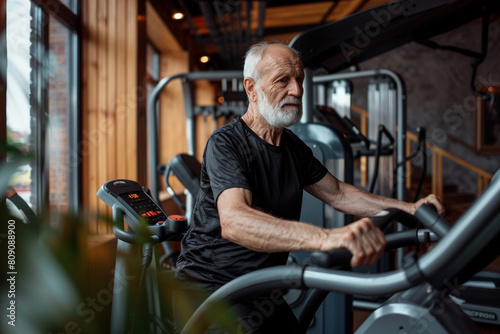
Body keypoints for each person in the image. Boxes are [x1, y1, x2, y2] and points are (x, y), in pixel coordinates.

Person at [173, 41, 444, 333]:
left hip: (262, 287)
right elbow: (235, 221)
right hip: (214, 290)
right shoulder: (226, 143)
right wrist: (328, 238)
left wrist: (409, 208)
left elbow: (338, 193)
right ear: (251, 89)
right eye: (283, 80)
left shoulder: (293, 147)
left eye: (299, 79)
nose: (297, 90)